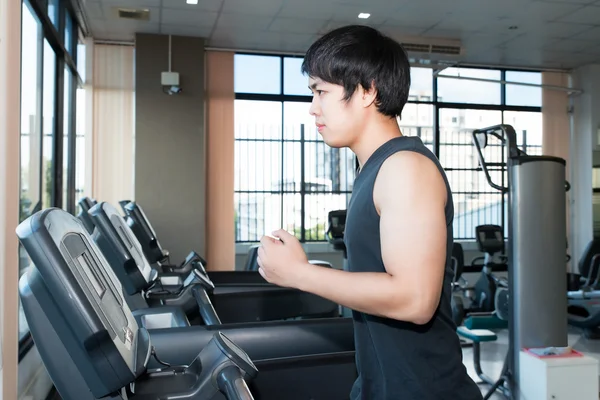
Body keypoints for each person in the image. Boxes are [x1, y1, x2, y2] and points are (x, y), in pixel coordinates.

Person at [256, 25, 483, 400]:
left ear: (367, 90)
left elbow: (414, 300)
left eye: (321, 92)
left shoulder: (404, 167)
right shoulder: (373, 169)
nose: (313, 108)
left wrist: (300, 274)